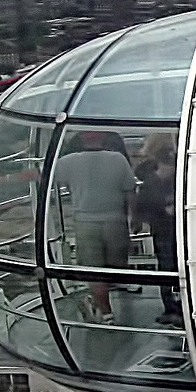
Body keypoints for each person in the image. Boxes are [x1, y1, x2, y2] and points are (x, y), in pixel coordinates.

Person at [54, 131, 136, 323]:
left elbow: (43, 175)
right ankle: (105, 301)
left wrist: (5, 178)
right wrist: (134, 217)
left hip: (85, 222)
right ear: (105, 138)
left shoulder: (69, 161)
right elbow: (130, 190)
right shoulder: (118, 160)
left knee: (94, 270)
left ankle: (106, 312)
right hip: (115, 220)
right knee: (116, 267)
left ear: (81, 139)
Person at [134, 133, 181, 326]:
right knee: (172, 269)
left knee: (168, 269)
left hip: (164, 230)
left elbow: (142, 208)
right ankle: (174, 308)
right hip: (169, 230)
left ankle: (173, 308)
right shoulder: (158, 182)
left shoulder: (148, 181)